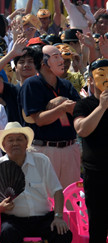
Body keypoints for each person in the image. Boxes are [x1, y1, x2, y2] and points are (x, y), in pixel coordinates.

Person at [19, 44, 81, 188]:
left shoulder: (66, 85)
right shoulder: (31, 84)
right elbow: (39, 120)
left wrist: (62, 100)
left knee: (71, 198)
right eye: (56, 56)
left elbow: (79, 110)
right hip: (44, 149)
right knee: (44, 201)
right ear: (43, 62)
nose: (62, 60)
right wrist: (64, 108)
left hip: (69, 147)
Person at [72, 59, 108, 243]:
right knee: (98, 229)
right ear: (90, 79)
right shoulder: (84, 105)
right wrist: (102, 107)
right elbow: (82, 129)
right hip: (96, 175)